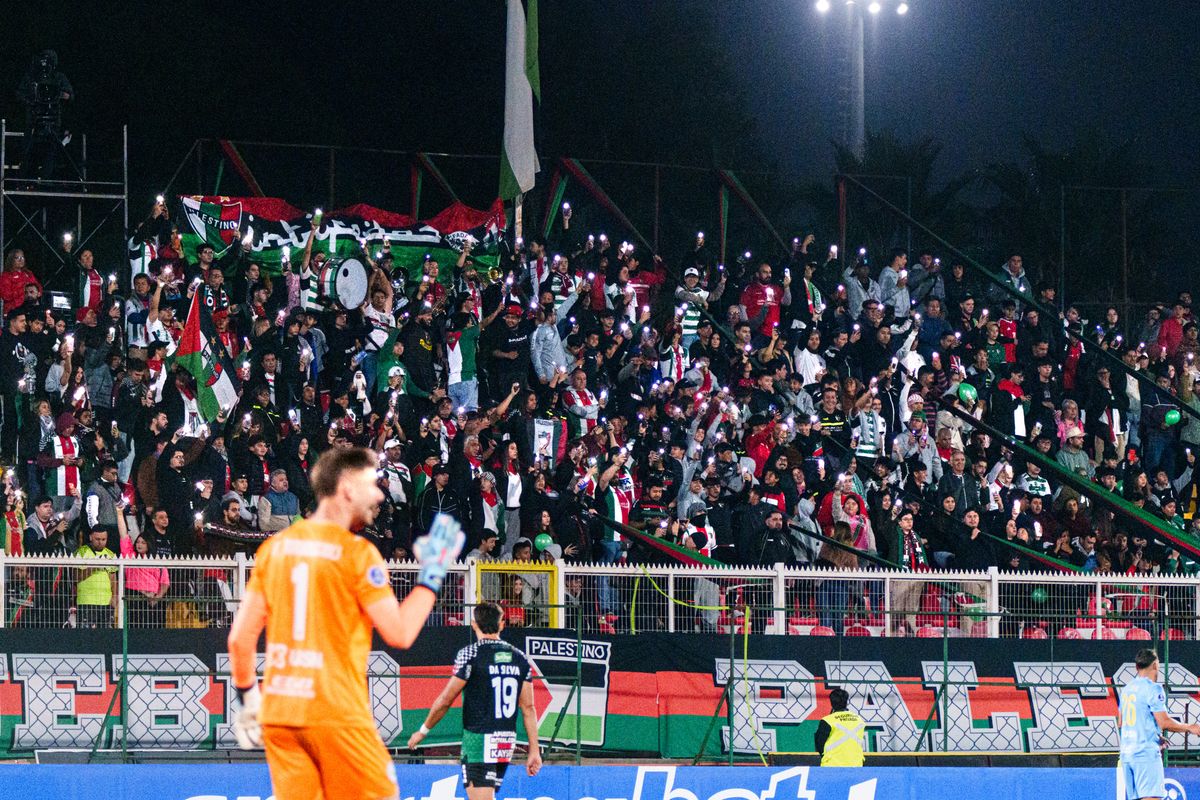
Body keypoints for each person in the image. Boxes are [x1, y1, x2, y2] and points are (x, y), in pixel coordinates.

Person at [226, 447, 465, 800]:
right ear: (348, 488)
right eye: (373, 484)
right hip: (336, 714)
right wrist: (432, 574)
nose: (381, 494)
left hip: (281, 714)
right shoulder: (358, 554)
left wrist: (248, 698)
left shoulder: (275, 550)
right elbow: (399, 632)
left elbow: (239, 640)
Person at [407, 602, 542, 799]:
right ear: (502, 624)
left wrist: (423, 731)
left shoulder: (470, 654)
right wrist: (534, 750)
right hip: (505, 740)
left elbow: (446, 699)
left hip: (478, 740)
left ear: (473, 624)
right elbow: (528, 708)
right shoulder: (520, 657)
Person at [1118, 648, 1200, 800]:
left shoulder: (1126, 690)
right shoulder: (1153, 688)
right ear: (1155, 665)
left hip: (1127, 755)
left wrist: (1153, 734)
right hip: (1145, 754)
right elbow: (1164, 722)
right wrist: (1190, 727)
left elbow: (1122, 722)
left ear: (1137, 667)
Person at [815, 687, 865, 767]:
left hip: (832, 766)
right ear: (846, 702)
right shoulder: (859, 719)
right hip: (856, 765)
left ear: (831, 703)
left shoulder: (828, 721)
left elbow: (819, 744)